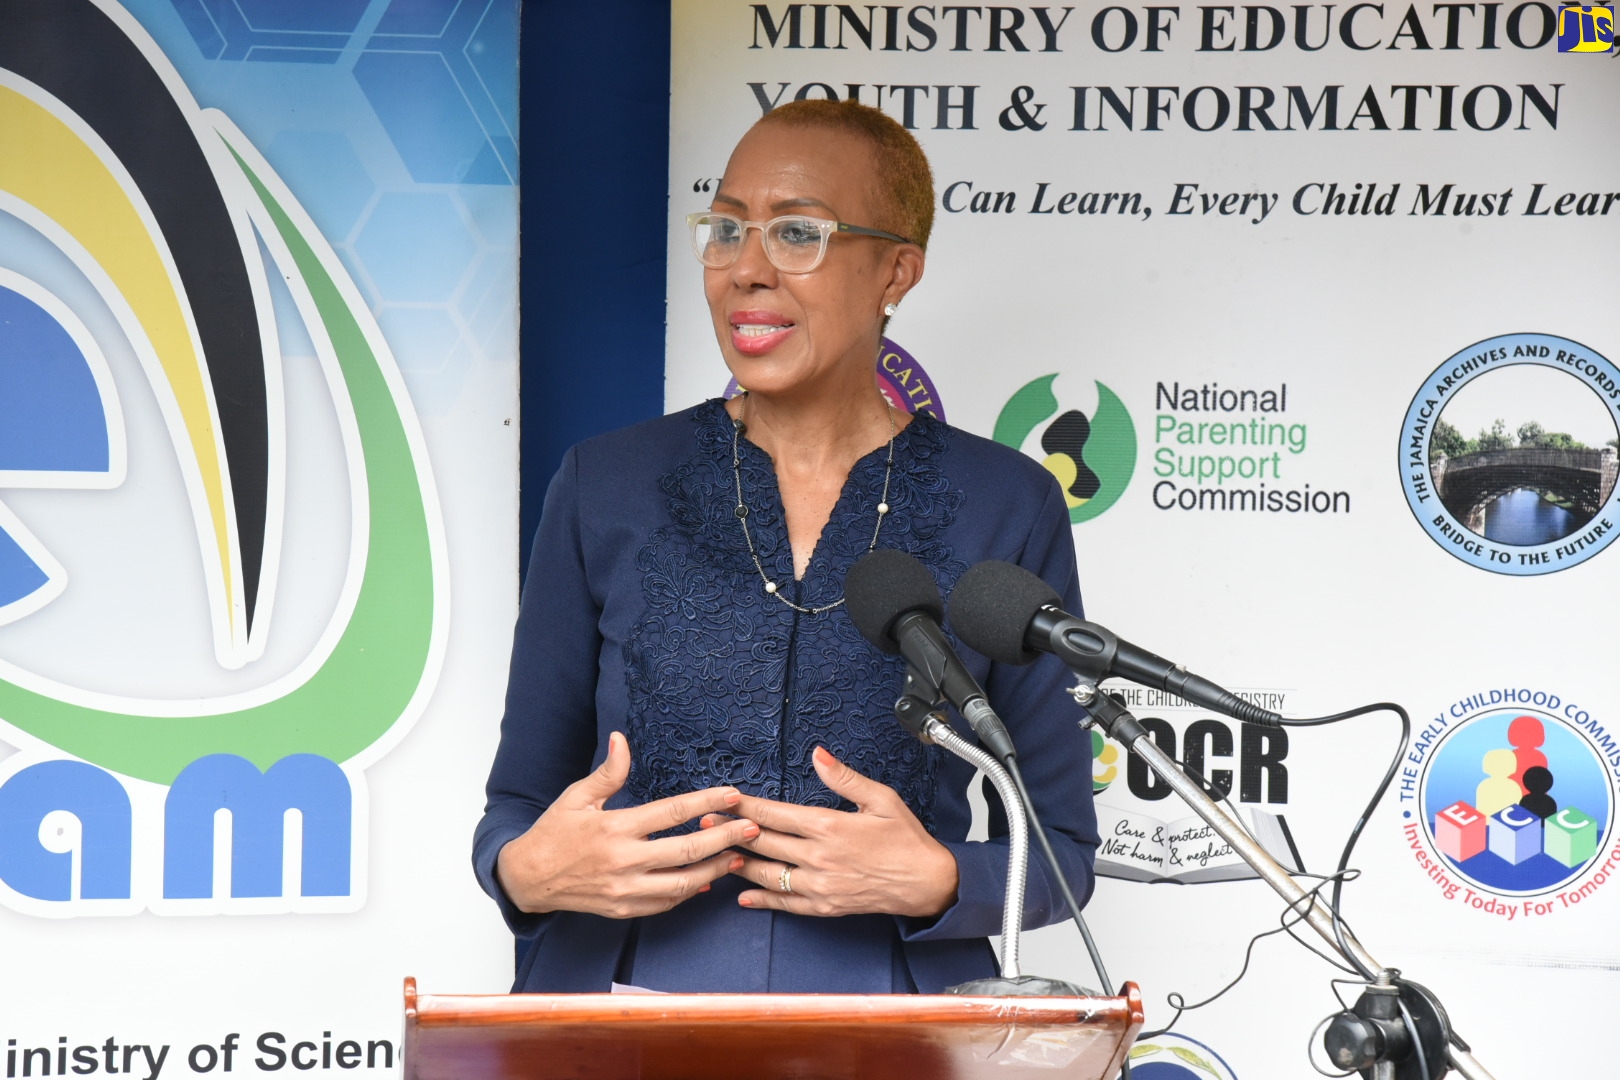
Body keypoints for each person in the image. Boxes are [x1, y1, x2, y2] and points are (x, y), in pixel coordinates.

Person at [474, 98, 1097, 994]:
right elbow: (515, 812)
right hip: (616, 1014)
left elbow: (1062, 848)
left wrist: (940, 878)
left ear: (896, 270)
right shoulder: (605, 484)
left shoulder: (1007, 503)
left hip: (891, 1024)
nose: (746, 269)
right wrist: (528, 872)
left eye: (798, 233)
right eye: (726, 230)